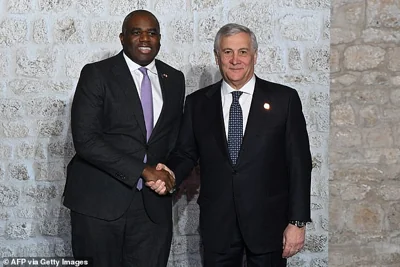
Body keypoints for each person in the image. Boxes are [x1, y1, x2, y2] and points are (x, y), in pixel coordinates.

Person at [155, 23, 312, 266]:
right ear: (217, 57)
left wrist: (298, 222)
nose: (235, 60)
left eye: (243, 51)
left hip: (269, 227)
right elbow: (185, 152)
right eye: (227, 52)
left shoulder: (284, 100)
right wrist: (171, 173)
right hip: (218, 227)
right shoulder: (198, 103)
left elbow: (299, 164)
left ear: (254, 56)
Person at [62, 10, 185, 267]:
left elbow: (174, 140)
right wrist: (144, 171)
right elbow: (86, 140)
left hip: (152, 210)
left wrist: (169, 177)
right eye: (136, 32)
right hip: (99, 205)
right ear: (122, 38)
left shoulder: (174, 79)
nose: (145, 38)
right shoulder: (97, 74)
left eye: (151, 33)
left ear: (159, 40)